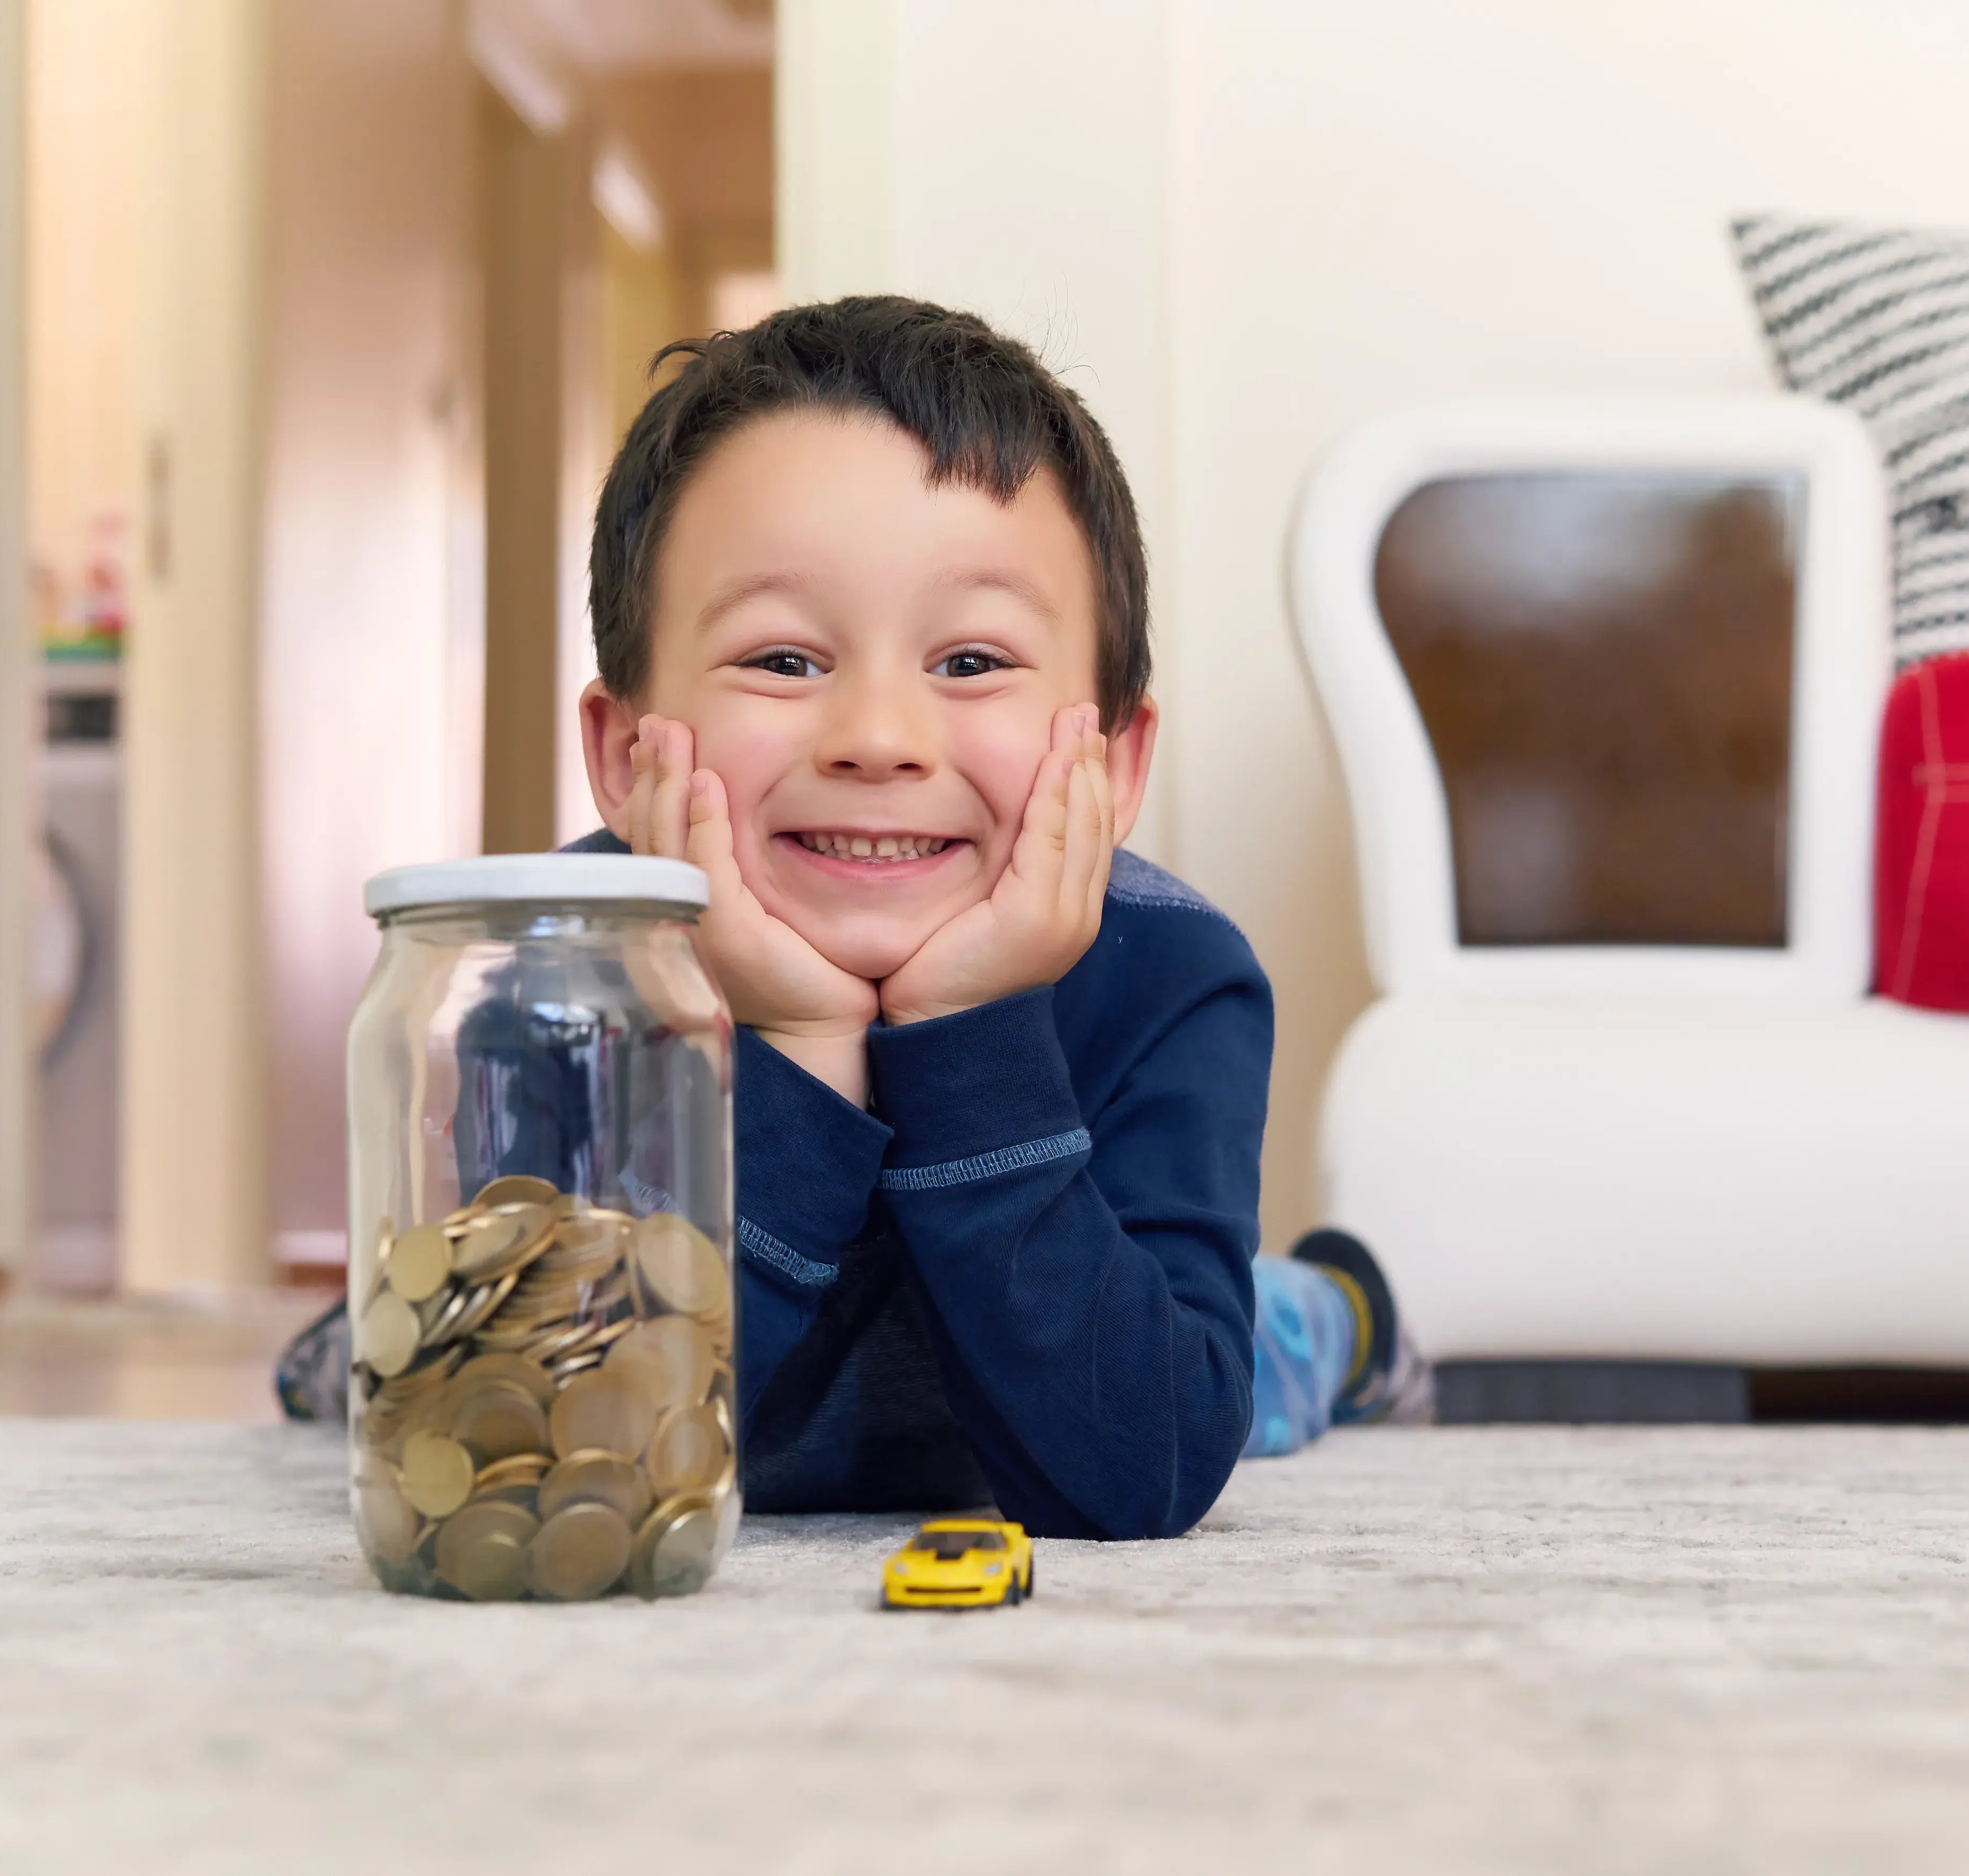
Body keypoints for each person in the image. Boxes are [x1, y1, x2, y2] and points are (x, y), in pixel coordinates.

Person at [281, 297, 1419, 1534]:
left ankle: (1336, 1309)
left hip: (1110, 1312)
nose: (878, 739)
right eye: (783, 660)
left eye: (971, 662)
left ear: (1114, 761)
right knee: (430, 1342)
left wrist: (970, 1024)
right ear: (620, 754)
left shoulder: (1173, 975)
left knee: (1261, 1352)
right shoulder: (550, 985)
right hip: (754, 1359)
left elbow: (1137, 1468)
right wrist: (796, 1045)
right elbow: (576, 1451)